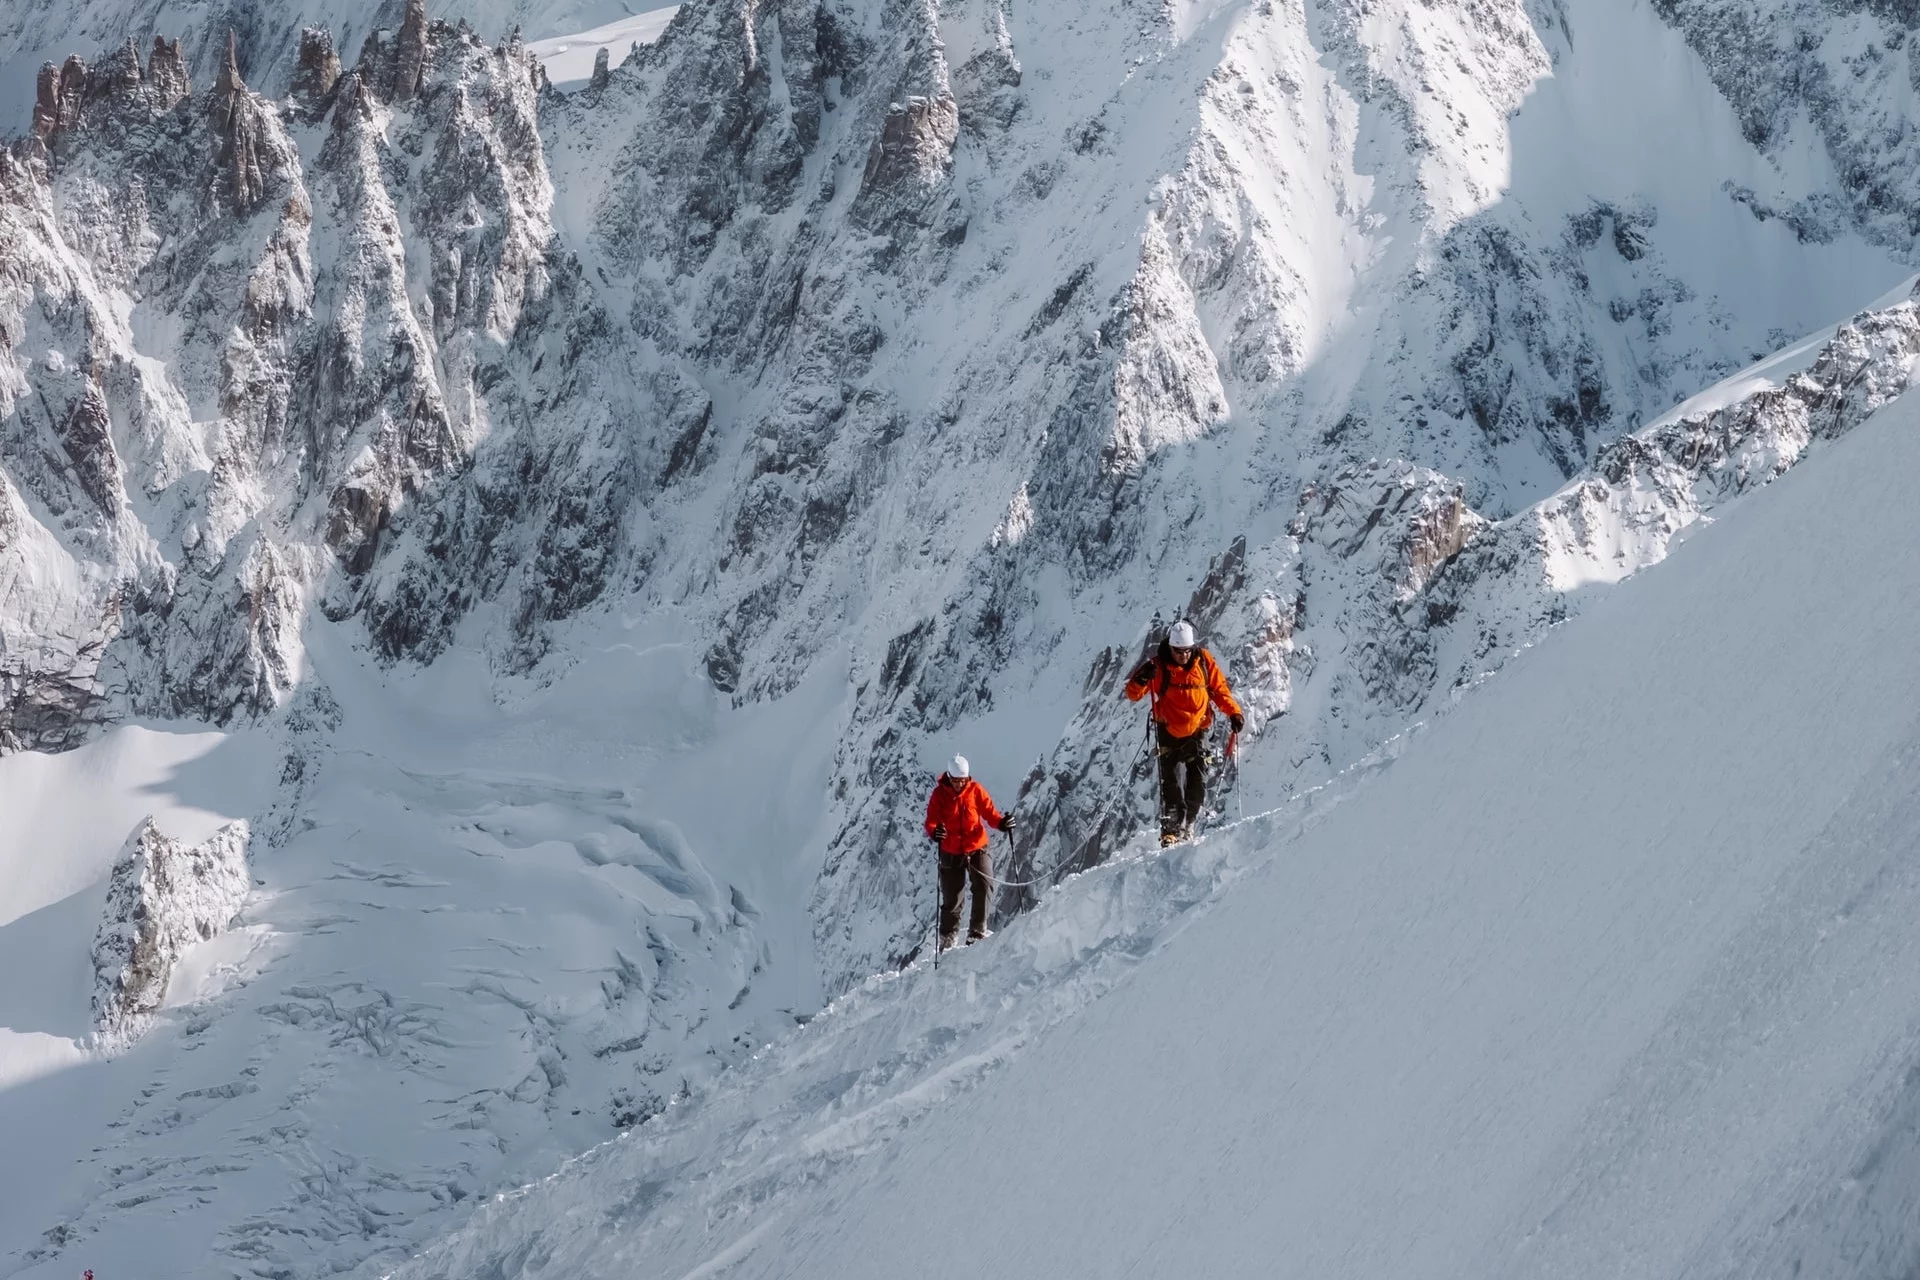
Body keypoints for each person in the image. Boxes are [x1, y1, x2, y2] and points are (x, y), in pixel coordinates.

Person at [1125, 619, 1243, 846]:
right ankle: (1171, 831)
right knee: (1172, 784)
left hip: (1198, 730)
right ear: (1171, 648)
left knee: (1197, 784)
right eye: (1178, 652)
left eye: (1187, 651)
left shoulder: (1204, 663)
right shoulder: (1158, 667)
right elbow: (1133, 693)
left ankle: (1187, 825)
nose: (1183, 656)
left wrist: (1234, 713)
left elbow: (1219, 691)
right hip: (1169, 731)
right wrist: (1141, 677)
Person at [923, 754, 1017, 949]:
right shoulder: (939, 795)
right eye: (955, 781)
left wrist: (1001, 823)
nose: (959, 785)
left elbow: (990, 813)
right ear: (949, 777)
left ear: (967, 778)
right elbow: (931, 820)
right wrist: (935, 832)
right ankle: (948, 938)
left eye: (962, 781)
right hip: (950, 850)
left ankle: (977, 931)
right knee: (952, 898)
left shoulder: (975, 791)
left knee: (984, 884)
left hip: (976, 847)